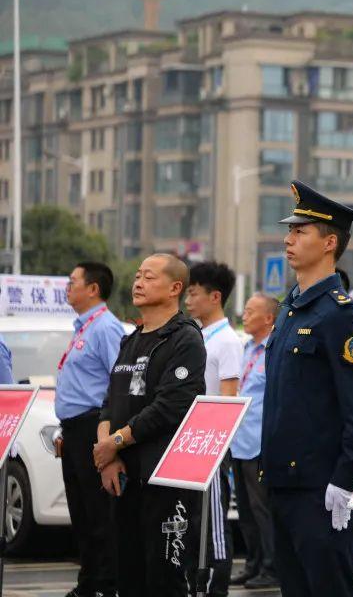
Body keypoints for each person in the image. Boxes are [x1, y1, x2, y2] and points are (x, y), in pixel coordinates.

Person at [262, 180, 353, 597]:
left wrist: (346, 480)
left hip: (320, 490)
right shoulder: (290, 310)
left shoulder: (339, 317)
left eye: (300, 232)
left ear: (330, 242)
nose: (288, 239)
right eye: (290, 230)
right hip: (283, 483)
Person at [93, 254, 207, 597]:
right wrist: (108, 455)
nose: (138, 283)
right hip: (125, 477)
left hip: (164, 479)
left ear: (175, 288)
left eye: (149, 277)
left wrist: (115, 442)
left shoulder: (185, 339)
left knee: (164, 578)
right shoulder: (132, 338)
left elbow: (170, 406)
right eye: (138, 276)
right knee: (128, 574)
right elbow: (110, 401)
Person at [55, 262, 125, 597]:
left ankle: (106, 585)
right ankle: (89, 582)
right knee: (81, 512)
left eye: (72, 282)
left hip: (94, 426)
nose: (67, 287)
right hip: (73, 429)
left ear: (93, 289)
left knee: (99, 513)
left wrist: (110, 438)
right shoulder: (83, 327)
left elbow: (120, 383)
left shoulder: (106, 328)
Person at [185, 261, 244, 595]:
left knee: (215, 528)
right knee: (193, 524)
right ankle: (194, 582)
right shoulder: (196, 336)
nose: (188, 301)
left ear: (215, 296)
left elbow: (228, 398)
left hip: (210, 445)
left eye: (194, 294)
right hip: (189, 444)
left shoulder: (227, 342)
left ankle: (215, 585)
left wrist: (214, 445)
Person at [229, 293, 280, 590]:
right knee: (246, 510)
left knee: (263, 510)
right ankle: (253, 563)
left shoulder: (274, 350)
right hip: (241, 438)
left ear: (268, 318)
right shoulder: (247, 348)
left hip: (260, 441)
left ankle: (272, 567)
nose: (244, 316)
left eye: (250, 311)